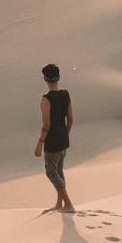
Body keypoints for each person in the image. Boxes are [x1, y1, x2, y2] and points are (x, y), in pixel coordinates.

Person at [35, 62, 75, 211]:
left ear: (45, 78)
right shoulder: (65, 94)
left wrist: (39, 143)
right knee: (59, 170)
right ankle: (60, 204)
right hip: (64, 138)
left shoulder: (46, 99)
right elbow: (70, 118)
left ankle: (68, 203)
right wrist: (65, 133)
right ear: (58, 77)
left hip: (52, 141)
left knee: (51, 172)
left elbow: (46, 125)